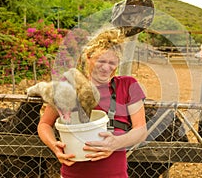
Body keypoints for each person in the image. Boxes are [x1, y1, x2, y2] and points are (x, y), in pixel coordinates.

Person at [37, 29, 148, 178]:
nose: (106, 67)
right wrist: (54, 146)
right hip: (72, 174)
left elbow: (140, 130)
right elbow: (44, 124)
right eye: (101, 61)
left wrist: (115, 143)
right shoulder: (69, 85)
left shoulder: (128, 85)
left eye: (112, 62)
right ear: (88, 58)